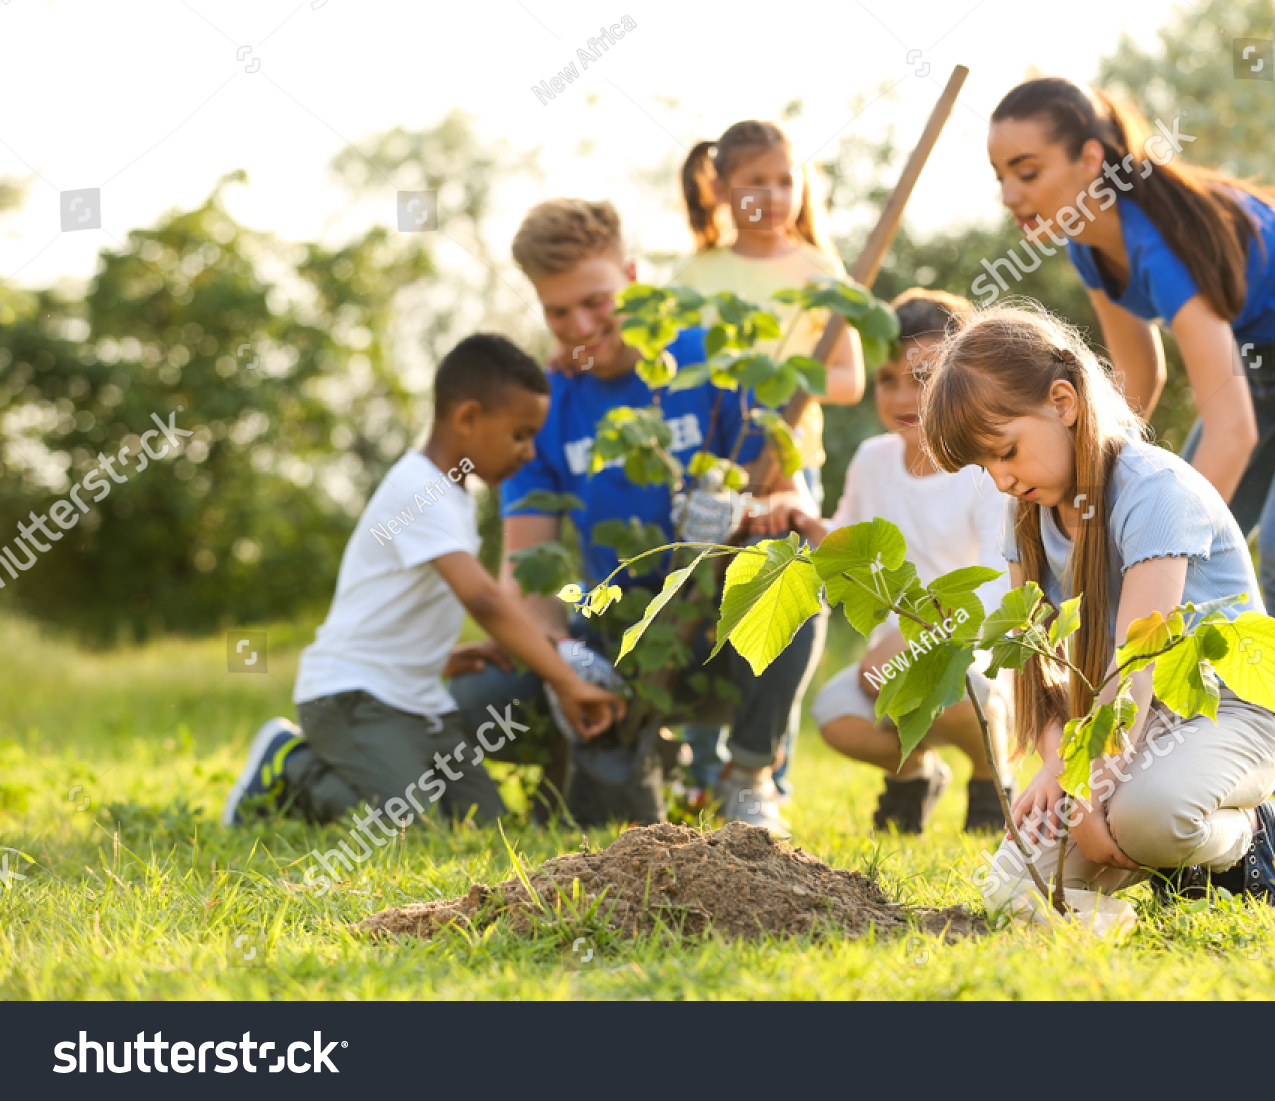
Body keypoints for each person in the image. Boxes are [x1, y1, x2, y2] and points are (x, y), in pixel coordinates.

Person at [984, 78, 1275, 855]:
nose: (1012, 194)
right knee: (1163, 551)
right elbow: (1131, 391)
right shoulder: (1093, 245)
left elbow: (1229, 429)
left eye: (1028, 169)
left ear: (1092, 159)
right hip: (1268, 368)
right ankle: (1181, 751)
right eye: (1001, 177)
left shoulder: (1160, 238)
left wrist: (1149, 536)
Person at [445, 198, 823, 837]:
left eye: (596, 301)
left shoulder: (717, 362)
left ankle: (748, 776)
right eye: (558, 312)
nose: (581, 325)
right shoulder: (546, 404)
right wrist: (563, 663)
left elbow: (793, 507)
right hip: (610, 640)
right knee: (476, 703)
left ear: (633, 277)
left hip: (713, 636)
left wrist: (745, 509)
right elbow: (528, 573)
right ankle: (591, 757)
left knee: (788, 573)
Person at [921, 302, 1275, 909]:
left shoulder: (1153, 491)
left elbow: (1139, 662)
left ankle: (1244, 838)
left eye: (1007, 451)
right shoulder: (1025, 514)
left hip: (1225, 707)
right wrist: (1066, 783)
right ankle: (1154, 871)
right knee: (1011, 896)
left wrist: (1083, 786)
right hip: (1113, 724)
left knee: (1147, 819)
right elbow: (1038, 676)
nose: (1000, 480)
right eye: (985, 464)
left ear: (1063, 403)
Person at [222, 334, 625, 829]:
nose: (528, 453)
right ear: (467, 418)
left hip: (415, 702)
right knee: (405, 824)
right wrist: (565, 681)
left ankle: (364, 772)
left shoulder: (452, 495)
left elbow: (402, 603)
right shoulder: (421, 491)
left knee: (483, 825)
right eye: (520, 435)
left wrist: (444, 657)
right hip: (352, 698)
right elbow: (483, 598)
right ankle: (289, 766)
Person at [755, 289, 1016, 834]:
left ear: (962, 377)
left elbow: (1001, 581)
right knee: (834, 715)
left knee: (943, 682)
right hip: (894, 659)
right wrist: (798, 513)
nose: (903, 396)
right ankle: (915, 773)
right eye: (887, 379)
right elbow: (845, 540)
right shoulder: (874, 459)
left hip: (975, 649)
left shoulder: (983, 469)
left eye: (924, 378)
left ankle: (993, 775)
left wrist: (924, 635)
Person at [671, 119, 866, 800]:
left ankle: (762, 770)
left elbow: (849, 380)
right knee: (703, 605)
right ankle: (698, 762)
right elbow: (672, 377)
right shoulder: (698, 273)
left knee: (781, 601)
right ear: (722, 188)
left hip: (791, 474)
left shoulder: (817, 270)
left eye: (786, 180)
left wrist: (795, 384)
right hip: (713, 472)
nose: (775, 195)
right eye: (756, 182)